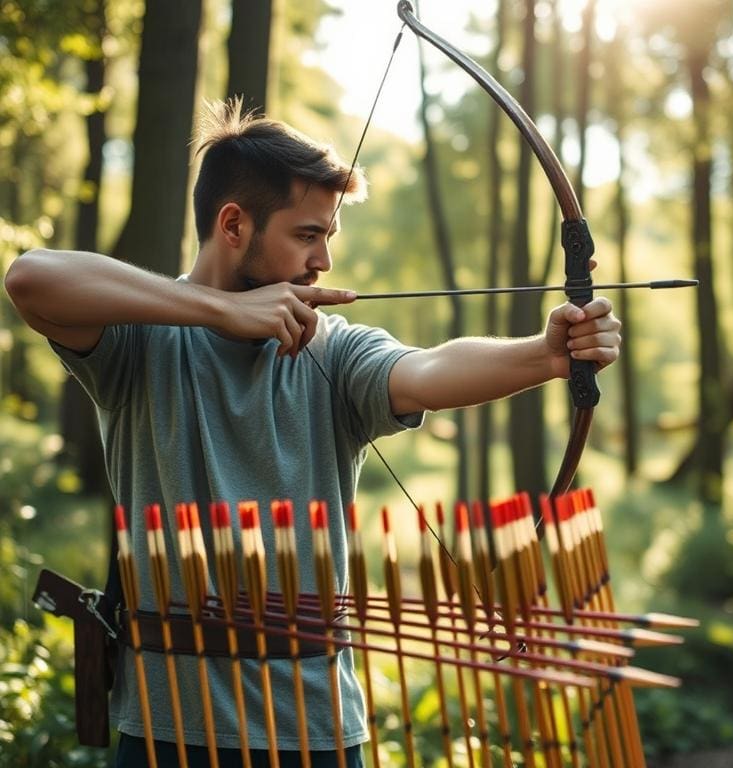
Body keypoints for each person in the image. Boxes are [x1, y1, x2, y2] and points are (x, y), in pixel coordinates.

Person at [4, 99, 621, 767]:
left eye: (328, 236)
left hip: (315, 735)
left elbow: (426, 372)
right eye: (306, 235)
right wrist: (219, 310)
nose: (323, 259)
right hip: (165, 735)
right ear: (234, 225)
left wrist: (546, 354)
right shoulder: (140, 344)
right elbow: (29, 278)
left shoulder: (332, 351)